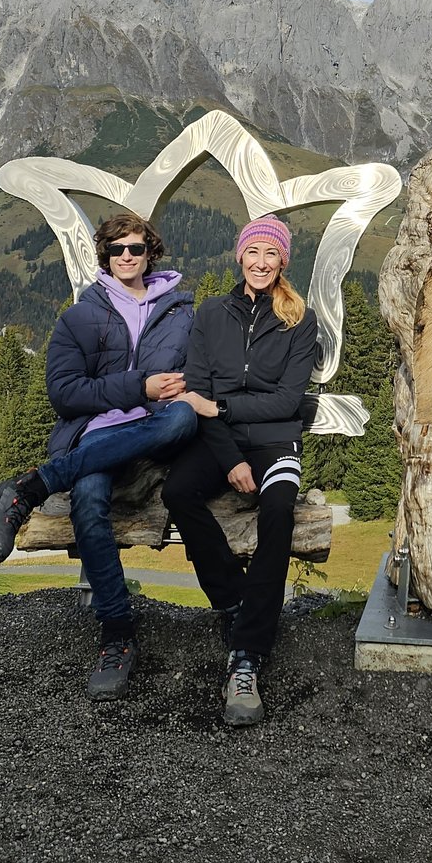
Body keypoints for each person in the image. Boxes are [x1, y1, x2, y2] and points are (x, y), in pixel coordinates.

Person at [0, 212, 197, 700]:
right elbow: (65, 395)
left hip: (159, 435)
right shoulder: (80, 316)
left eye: (135, 249)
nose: (126, 257)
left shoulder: (184, 313)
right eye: (117, 249)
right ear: (106, 256)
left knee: (182, 418)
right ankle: (117, 635)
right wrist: (138, 386)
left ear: (150, 253)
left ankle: (31, 487)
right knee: (89, 500)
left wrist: (176, 393)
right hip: (95, 439)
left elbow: (197, 379)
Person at [162, 215, 318, 728]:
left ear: (282, 262)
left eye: (270, 254)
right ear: (239, 256)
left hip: (276, 443)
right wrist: (229, 459)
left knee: (278, 508)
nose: (260, 262)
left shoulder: (300, 319)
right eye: (253, 252)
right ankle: (233, 600)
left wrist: (224, 411)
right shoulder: (211, 313)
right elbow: (197, 395)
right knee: (179, 490)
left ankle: (247, 655)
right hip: (223, 446)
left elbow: (288, 402)